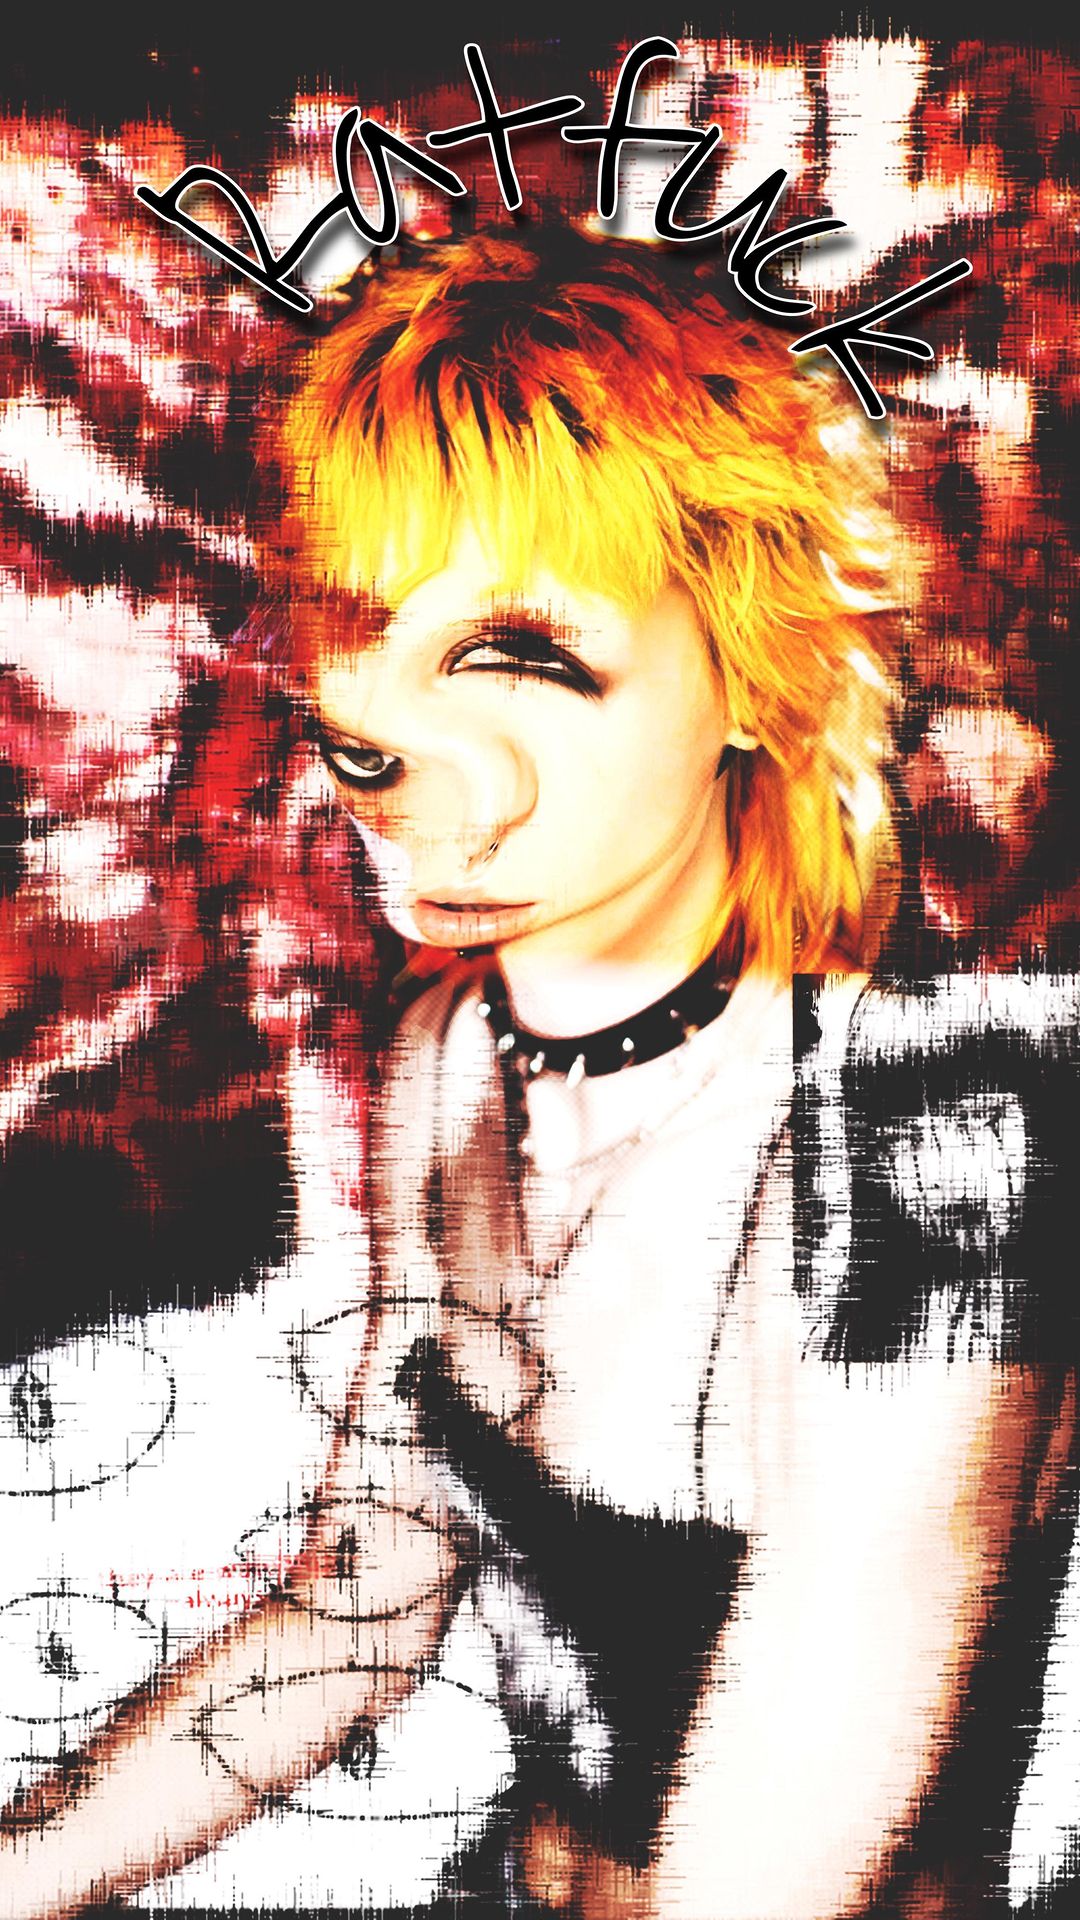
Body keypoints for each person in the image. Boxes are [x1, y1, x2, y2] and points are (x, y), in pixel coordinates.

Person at [1, 227, 1075, 1919]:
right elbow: (360, 1606)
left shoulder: (947, 1143)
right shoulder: (457, 1056)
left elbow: (765, 1875)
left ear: (755, 669)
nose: (411, 751)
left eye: (523, 657)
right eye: (374, 633)